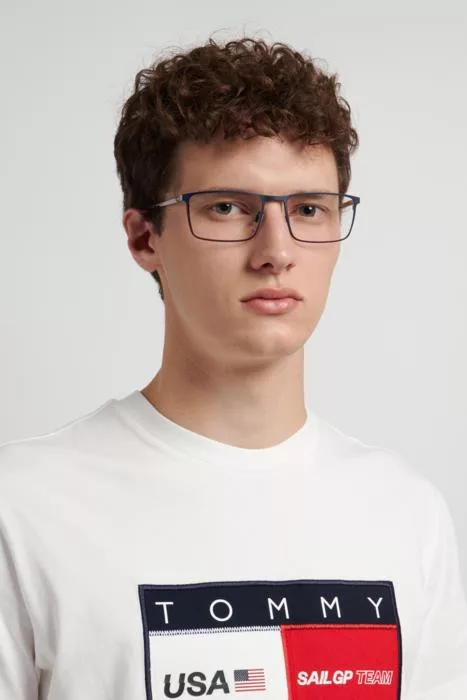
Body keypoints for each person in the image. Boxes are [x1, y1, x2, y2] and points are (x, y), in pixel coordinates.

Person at [0, 33, 466, 700]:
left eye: (308, 209)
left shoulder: (405, 512)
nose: (276, 250)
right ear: (144, 237)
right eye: (227, 207)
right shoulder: (23, 510)